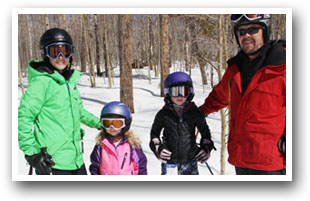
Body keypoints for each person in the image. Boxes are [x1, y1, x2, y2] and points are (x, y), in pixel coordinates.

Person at [200, 14, 286, 175]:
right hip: (241, 160)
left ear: (264, 32)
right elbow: (219, 96)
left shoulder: (283, 67)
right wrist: (199, 112)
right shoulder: (235, 69)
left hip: (273, 163)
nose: (246, 35)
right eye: (241, 31)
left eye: (253, 29)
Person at [18, 28, 101, 175]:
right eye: (55, 52)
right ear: (45, 54)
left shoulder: (69, 83)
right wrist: (32, 153)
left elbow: (79, 111)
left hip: (76, 160)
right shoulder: (41, 83)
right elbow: (24, 118)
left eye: (65, 51)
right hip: (53, 162)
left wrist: (102, 124)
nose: (61, 57)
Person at [149, 72, 215, 175]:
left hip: (190, 161)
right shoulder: (163, 114)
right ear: (168, 93)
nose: (179, 96)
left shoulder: (195, 113)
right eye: (175, 91)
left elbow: (205, 133)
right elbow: (154, 134)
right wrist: (157, 148)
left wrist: (206, 148)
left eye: (184, 91)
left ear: (190, 93)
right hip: (170, 161)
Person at [89, 101, 147, 175]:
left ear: (126, 123)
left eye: (117, 124)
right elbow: (95, 167)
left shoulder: (131, 144)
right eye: (107, 123)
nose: (112, 127)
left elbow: (140, 166)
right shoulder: (101, 145)